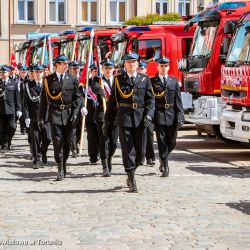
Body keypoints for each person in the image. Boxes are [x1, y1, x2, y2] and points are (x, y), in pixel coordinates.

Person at [104, 52, 155, 192]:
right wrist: (106, 120)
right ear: (125, 64)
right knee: (127, 150)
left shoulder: (145, 79)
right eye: (129, 62)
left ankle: (132, 169)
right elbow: (112, 101)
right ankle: (131, 176)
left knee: (141, 153)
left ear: (137, 64)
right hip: (124, 118)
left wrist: (149, 115)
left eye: (134, 62)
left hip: (141, 119)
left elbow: (151, 100)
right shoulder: (119, 79)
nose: (131, 64)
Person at [39, 55, 82, 181]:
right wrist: (41, 117)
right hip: (55, 114)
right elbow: (44, 100)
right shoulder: (48, 80)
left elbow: (78, 98)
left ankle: (64, 162)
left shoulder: (73, 79)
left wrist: (75, 114)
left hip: (69, 114)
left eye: (66, 64)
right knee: (57, 142)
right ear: (57, 65)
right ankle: (60, 168)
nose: (66, 66)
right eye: (63, 64)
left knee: (68, 142)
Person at [151, 57, 184, 177]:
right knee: (161, 141)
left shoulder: (173, 81)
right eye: (161, 66)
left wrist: (180, 116)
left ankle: (163, 157)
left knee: (172, 141)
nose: (163, 68)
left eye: (165, 66)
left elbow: (178, 101)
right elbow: (151, 100)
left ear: (168, 67)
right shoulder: (152, 81)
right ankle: (165, 165)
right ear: (158, 67)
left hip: (172, 114)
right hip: (159, 113)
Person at [92, 59, 119, 177]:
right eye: (106, 68)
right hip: (102, 115)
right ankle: (104, 165)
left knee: (113, 142)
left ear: (113, 69)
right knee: (104, 140)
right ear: (102, 69)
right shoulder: (98, 80)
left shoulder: (117, 80)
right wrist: (100, 90)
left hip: (115, 115)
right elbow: (94, 87)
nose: (108, 70)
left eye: (110, 68)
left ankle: (109, 158)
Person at [24, 64, 51, 169]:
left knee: (48, 138)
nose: (38, 74)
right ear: (33, 73)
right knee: (35, 140)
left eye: (40, 72)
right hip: (34, 117)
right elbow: (25, 103)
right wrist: (26, 116)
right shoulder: (28, 85)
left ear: (43, 73)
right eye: (36, 72)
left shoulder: (47, 84)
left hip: (46, 116)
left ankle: (43, 152)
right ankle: (37, 159)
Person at [137, 61, 155, 166]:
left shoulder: (150, 80)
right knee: (140, 135)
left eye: (142, 69)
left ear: (146, 69)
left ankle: (150, 156)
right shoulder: (136, 80)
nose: (141, 71)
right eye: (139, 69)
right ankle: (141, 157)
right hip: (139, 111)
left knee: (149, 133)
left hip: (149, 111)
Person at [0, 65, 22, 152]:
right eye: (1, 72)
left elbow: (17, 97)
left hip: (11, 109)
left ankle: (9, 140)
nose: (2, 74)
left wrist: (19, 109)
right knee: (2, 129)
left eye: (4, 72)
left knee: (12, 127)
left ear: (8, 73)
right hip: (1, 110)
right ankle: (4, 145)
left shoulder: (14, 83)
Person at [84, 63, 100, 163]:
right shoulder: (86, 83)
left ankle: (99, 153)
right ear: (91, 72)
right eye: (94, 71)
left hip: (99, 113)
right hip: (89, 113)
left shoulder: (102, 82)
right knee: (91, 136)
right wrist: (82, 106)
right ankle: (92, 155)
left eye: (97, 71)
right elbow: (81, 96)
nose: (96, 73)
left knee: (99, 135)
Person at [19, 66, 29, 134]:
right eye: (22, 72)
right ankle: (23, 129)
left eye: (24, 72)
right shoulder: (17, 80)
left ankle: (27, 128)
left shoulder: (28, 81)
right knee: (21, 115)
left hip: (26, 99)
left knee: (26, 114)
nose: (23, 74)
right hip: (19, 100)